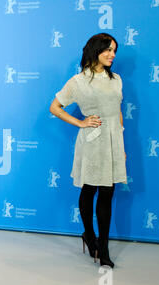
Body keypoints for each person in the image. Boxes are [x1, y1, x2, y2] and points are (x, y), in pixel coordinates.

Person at [49, 33, 127, 268]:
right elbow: (55, 107)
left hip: (114, 141)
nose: (112, 55)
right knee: (90, 188)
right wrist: (81, 123)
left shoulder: (117, 79)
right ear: (95, 50)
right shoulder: (78, 81)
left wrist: (121, 143)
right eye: (108, 50)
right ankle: (88, 235)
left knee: (108, 192)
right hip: (93, 141)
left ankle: (103, 248)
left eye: (114, 50)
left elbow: (118, 110)